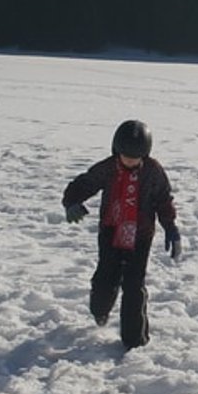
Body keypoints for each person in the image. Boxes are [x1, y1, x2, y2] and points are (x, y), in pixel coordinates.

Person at [62, 119, 180, 349]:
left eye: (135, 157)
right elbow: (85, 183)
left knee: (134, 286)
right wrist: (71, 201)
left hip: (140, 236)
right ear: (117, 150)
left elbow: (163, 200)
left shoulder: (153, 172)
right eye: (125, 156)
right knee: (106, 277)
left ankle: (135, 339)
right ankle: (100, 310)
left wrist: (171, 227)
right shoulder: (108, 167)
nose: (130, 161)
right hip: (111, 232)